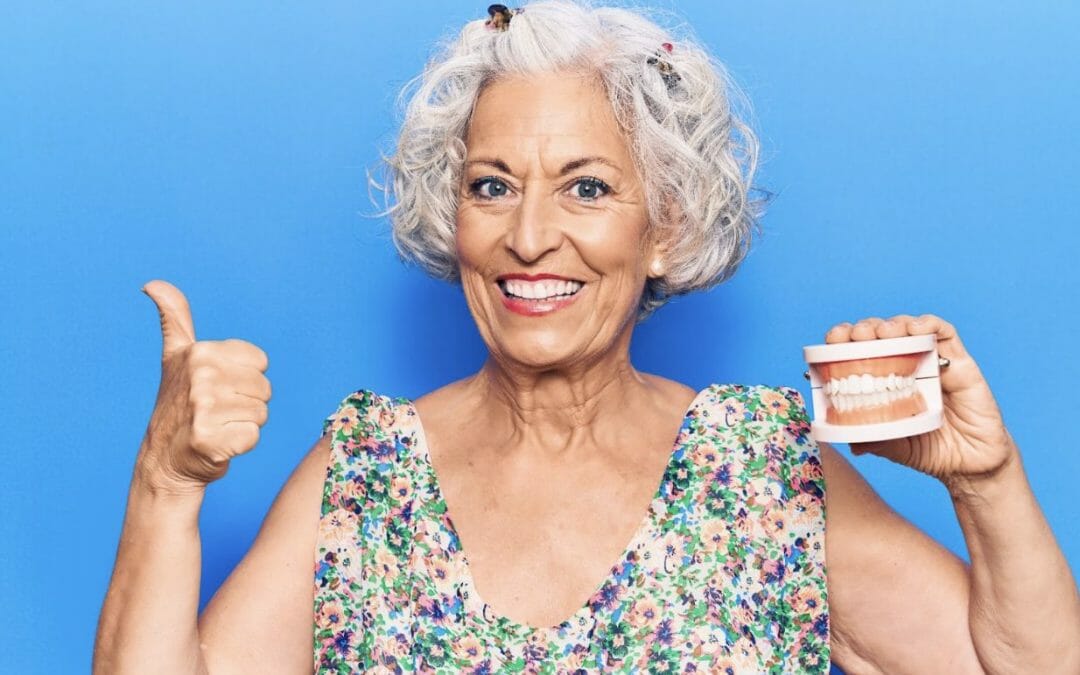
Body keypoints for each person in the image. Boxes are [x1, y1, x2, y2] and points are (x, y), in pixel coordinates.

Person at [93, 1, 1080, 673]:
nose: (528, 236)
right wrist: (166, 483)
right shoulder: (367, 471)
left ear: (669, 228)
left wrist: (983, 484)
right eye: (492, 186)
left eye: (588, 187)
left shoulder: (762, 469)